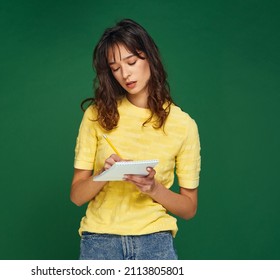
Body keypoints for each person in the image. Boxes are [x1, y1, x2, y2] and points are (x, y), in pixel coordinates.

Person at [70, 19, 201, 260]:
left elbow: (189, 207)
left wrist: (154, 188)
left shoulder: (183, 125)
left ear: (149, 57)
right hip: (100, 242)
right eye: (115, 67)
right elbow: (76, 196)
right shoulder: (96, 115)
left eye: (131, 62)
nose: (125, 74)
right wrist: (104, 174)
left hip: (155, 242)